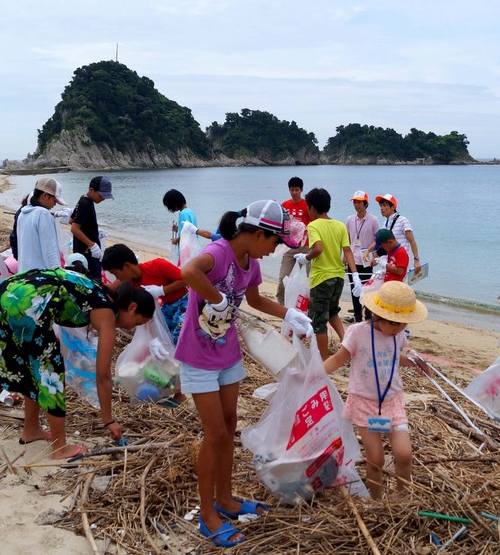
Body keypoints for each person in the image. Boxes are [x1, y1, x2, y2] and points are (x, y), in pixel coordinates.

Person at [176, 200, 312, 548]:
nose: (275, 250)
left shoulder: (250, 262)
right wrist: (217, 298)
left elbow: (254, 299)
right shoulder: (219, 252)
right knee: (215, 434)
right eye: (274, 242)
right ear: (256, 233)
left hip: (228, 353)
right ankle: (208, 514)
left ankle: (226, 500)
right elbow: (189, 272)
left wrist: (288, 314)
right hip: (198, 354)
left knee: (229, 424)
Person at [0, 269, 154, 458]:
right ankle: (60, 447)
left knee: (31, 366)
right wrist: (109, 421)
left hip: (8, 291)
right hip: (27, 303)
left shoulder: (103, 292)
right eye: (136, 323)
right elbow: (103, 377)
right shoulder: (107, 312)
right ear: (132, 307)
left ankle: (31, 429)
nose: (130, 328)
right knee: (51, 371)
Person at [323, 280, 429, 499]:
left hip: (392, 401)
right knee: (376, 459)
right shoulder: (357, 332)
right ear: (377, 315)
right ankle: (377, 499)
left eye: (403, 324)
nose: (400, 329)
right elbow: (338, 359)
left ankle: (402, 496)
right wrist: (313, 373)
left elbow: (395, 355)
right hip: (364, 402)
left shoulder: (397, 333)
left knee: (404, 454)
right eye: (395, 324)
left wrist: (415, 362)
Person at [294, 188, 363, 362]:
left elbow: (318, 249)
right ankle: (348, 345)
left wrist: (305, 258)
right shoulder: (339, 225)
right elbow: (347, 251)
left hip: (322, 279)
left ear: (311, 208)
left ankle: (324, 362)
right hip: (338, 278)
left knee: (319, 323)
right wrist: (354, 275)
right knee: (332, 312)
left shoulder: (313, 225)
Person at [103, 243, 189, 343]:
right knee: (162, 335)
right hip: (167, 306)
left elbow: (186, 280)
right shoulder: (129, 282)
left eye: (116, 274)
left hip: (186, 302)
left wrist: (161, 290)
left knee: (178, 336)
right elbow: (110, 288)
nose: (117, 278)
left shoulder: (158, 266)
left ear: (127, 266)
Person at [363, 194, 422, 278]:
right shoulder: (385, 223)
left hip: (400, 262)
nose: (381, 208)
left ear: (393, 207)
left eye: (384, 205)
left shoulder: (402, 220)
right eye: (380, 206)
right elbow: (379, 242)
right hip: (389, 262)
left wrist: (416, 260)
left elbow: (412, 240)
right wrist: (369, 252)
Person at [15, 178, 67, 272]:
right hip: (41, 276)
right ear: (45, 195)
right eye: (54, 200)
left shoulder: (23, 213)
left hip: (24, 272)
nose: (54, 205)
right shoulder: (43, 214)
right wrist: (57, 272)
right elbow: (50, 250)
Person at [70, 175, 113, 281]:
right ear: (91, 190)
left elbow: (71, 220)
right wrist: (92, 245)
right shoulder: (85, 204)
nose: (103, 198)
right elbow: (74, 228)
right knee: (93, 282)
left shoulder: (83, 199)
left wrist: (92, 230)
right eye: (101, 195)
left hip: (82, 251)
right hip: (88, 253)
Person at [276, 176, 312, 304]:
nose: (294, 193)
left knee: (305, 278)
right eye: (292, 190)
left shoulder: (307, 205)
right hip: (289, 247)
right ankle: (280, 301)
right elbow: (279, 224)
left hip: (305, 247)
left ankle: (303, 303)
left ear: (301, 190)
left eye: (297, 190)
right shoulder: (285, 205)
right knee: (283, 277)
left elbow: (314, 225)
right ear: (289, 190)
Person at [345, 191, 380, 323]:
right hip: (352, 260)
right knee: (354, 289)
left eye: (359, 202)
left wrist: (372, 254)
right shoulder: (349, 219)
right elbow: (347, 238)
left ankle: (368, 316)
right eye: (355, 202)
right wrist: (345, 256)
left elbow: (378, 240)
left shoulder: (373, 220)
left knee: (367, 290)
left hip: (366, 261)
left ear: (365, 204)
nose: (356, 205)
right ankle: (358, 317)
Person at [163, 189, 200, 264]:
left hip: (187, 249)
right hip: (194, 246)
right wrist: (178, 229)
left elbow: (186, 234)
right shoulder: (189, 211)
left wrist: (176, 240)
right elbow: (189, 229)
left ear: (174, 204)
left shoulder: (183, 214)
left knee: (183, 269)